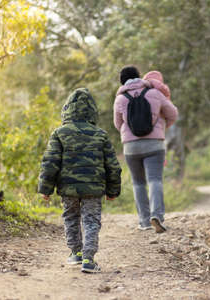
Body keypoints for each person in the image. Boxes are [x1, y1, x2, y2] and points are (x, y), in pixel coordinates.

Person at [38, 88, 121, 273]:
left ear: (67, 110)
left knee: (71, 217)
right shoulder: (100, 134)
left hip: (68, 188)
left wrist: (45, 188)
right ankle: (89, 259)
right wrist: (113, 191)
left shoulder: (60, 133)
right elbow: (113, 166)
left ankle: (75, 252)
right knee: (91, 221)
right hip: (94, 188)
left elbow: (50, 162)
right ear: (92, 111)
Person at [113, 66, 178, 233]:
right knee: (155, 180)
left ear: (122, 81)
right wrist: (161, 128)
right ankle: (157, 215)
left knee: (138, 183)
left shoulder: (120, 99)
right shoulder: (154, 93)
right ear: (139, 77)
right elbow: (173, 113)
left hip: (131, 147)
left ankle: (144, 221)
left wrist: (129, 133)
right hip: (154, 144)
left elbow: (118, 124)